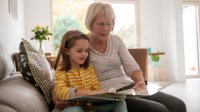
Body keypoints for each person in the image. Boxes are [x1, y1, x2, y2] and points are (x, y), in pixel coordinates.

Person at [84, 2, 187, 112]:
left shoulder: (116, 40)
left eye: (109, 24)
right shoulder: (81, 44)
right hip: (109, 94)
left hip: (129, 87)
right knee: (159, 110)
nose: (106, 28)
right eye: (100, 24)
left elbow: (131, 66)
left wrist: (140, 82)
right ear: (90, 23)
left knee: (178, 105)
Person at [52, 30, 128, 112]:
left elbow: (96, 87)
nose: (84, 54)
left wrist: (103, 95)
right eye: (79, 51)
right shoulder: (61, 70)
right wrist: (85, 93)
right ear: (67, 51)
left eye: (86, 50)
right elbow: (59, 91)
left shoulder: (88, 68)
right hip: (71, 108)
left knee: (120, 102)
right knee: (76, 110)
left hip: (90, 108)